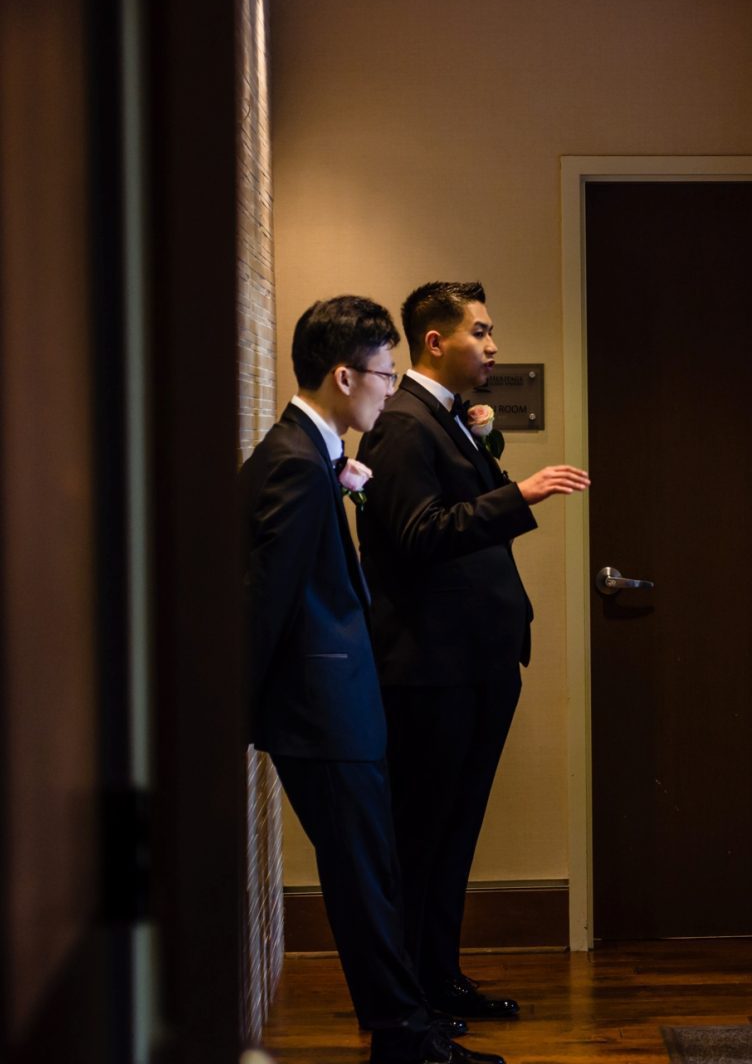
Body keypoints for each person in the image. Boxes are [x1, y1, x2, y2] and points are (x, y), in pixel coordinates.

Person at [241, 295, 501, 1064]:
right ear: (343, 375)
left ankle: (404, 1032)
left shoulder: (309, 452)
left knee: (371, 873)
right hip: (322, 709)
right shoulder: (293, 461)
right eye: (385, 375)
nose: (391, 390)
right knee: (364, 880)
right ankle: (405, 1039)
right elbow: (265, 603)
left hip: (334, 704)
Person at [355, 282, 589, 1021]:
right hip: (430, 669)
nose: (492, 346)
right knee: (421, 839)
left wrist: (488, 449)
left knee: (455, 835)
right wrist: (519, 492)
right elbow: (420, 534)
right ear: (434, 340)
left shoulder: (445, 420)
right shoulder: (400, 426)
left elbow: (457, 513)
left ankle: (440, 975)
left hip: (476, 662)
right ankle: (409, 1000)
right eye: (480, 332)